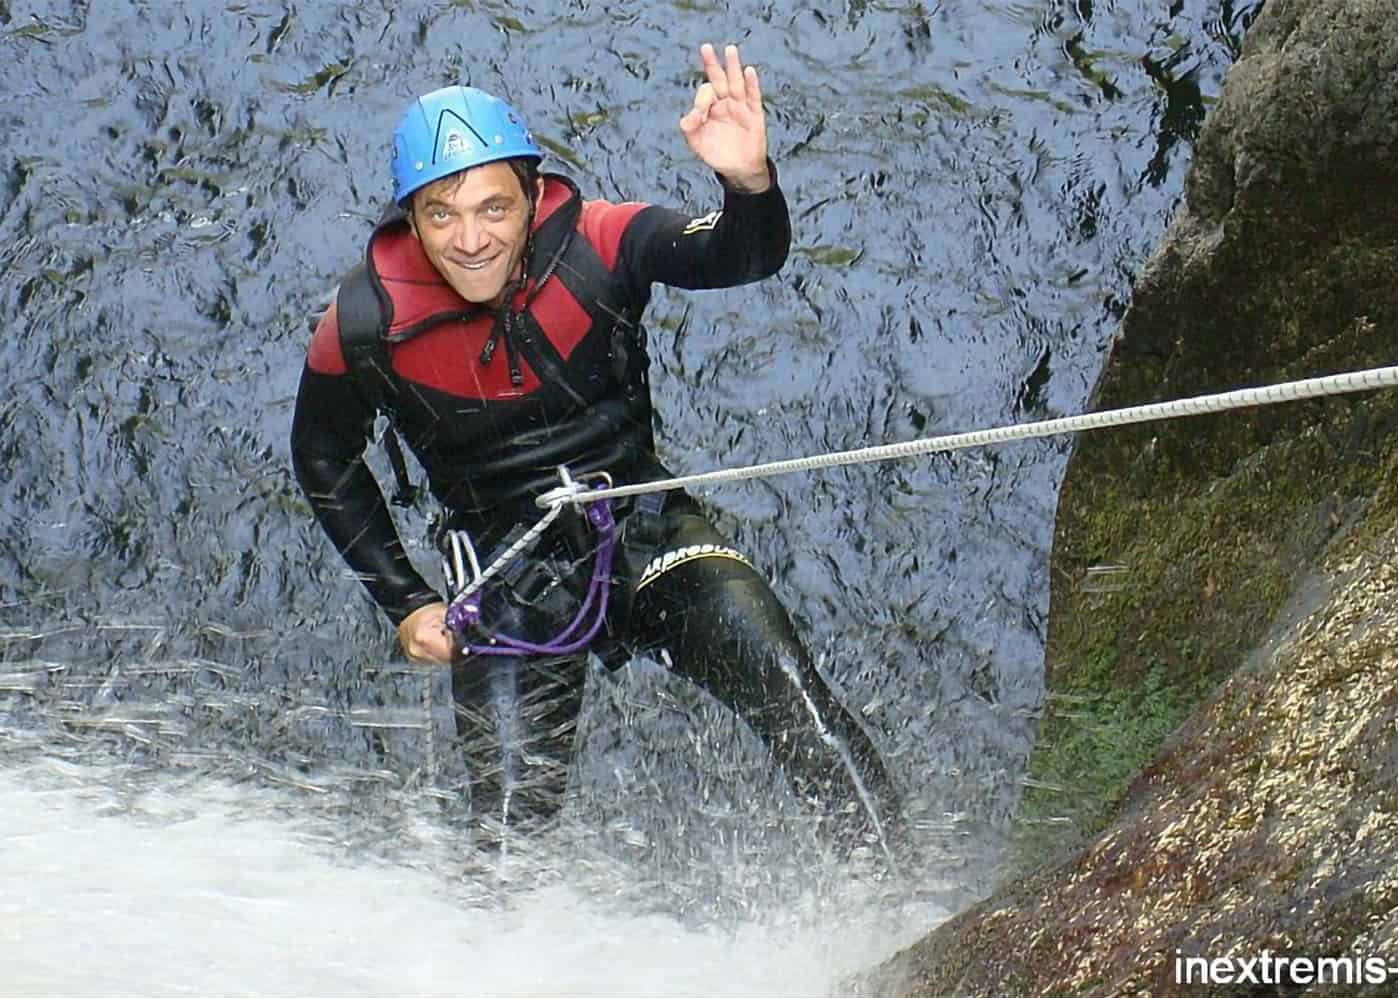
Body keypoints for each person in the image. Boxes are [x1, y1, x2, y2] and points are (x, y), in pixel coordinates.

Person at [290, 44, 902, 856]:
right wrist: (407, 602)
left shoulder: (601, 244)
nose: (469, 239)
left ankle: (906, 912)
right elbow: (322, 457)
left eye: (493, 208)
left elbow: (744, 256)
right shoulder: (366, 323)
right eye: (441, 214)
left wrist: (748, 184)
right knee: (507, 836)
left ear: (532, 194)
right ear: (410, 219)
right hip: (507, 576)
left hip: (647, 527)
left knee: (793, 694)